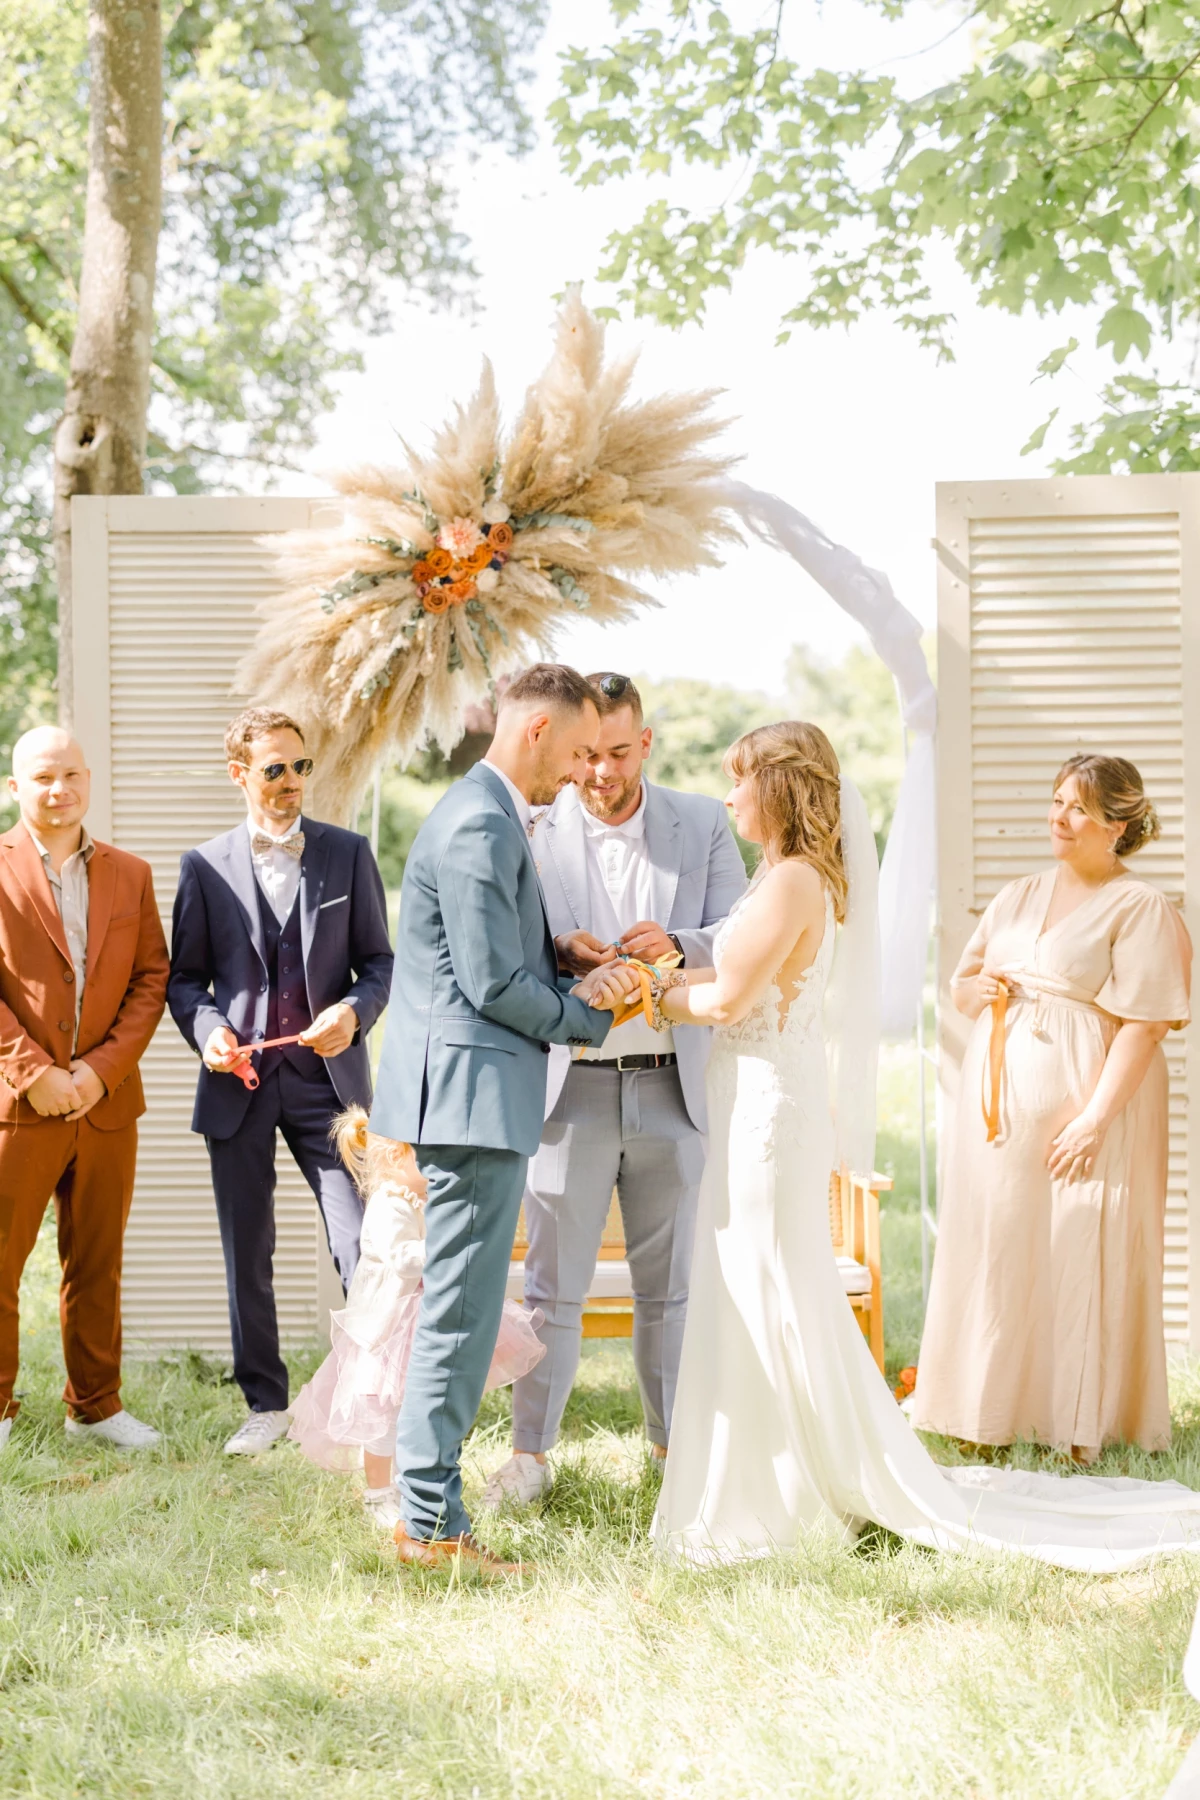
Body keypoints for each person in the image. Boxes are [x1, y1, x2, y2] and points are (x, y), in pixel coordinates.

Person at [579, 721, 1200, 1571]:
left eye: (741, 781)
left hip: (767, 1115)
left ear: (781, 789)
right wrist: (666, 974)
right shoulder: (787, 877)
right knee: (754, 1286)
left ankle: (783, 1487)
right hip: (762, 1104)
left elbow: (727, 1004)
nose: (727, 798)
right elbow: (736, 981)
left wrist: (641, 994)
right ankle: (787, 1470)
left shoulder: (794, 881)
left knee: (764, 1285)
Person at [369, 663, 640, 1574]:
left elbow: (479, 954)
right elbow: (488, 985)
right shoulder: (484, 822)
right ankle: (432, 1528)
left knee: (458, 1311)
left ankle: (423, 1515)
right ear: (534, 732)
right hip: (474, 1102)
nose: (576, 773)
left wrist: (557, 952)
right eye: (571, 753)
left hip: (464, 1094)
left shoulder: (472, 812)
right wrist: (591, 1010)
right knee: (460, 1317)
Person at [483, 671, 747, 1508]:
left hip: (674, 1085)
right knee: (551, 1289)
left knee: (671, 1288)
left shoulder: (703, 822)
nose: (600, 772)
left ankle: (674, 1451)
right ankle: (529, 1457)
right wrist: (567, 952)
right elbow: (511, 947)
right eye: (588, 754)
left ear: (647, 744)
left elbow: (742, 932)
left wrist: (674, 940)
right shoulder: (529, 823)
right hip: (574, 1089)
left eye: (619, 754)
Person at [913, 754, 1191, 1461]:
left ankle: (1079, 1423)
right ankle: (987, 1411)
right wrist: (988, 992)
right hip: (1001, 1105)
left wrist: (1094, 1118)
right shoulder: (1017, 894)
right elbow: (963, 987)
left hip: (1095, 1106)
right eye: (1057, 801)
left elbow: (1147, 1024)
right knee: (999, 1244)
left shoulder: (1140, 907)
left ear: (1117, 825)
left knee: (1076, 1248)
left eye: (1077, 808)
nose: (1057, 818)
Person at [167, 708, 393, 1455]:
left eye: (300, 767)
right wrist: (210, 1035)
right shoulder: (203, 866)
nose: (293, 782)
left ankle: (373, 1397)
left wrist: (353, 1014)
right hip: (240, 1086)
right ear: (241, 774)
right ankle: (264, 1404)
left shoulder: (349, 854)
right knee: (248, 1249)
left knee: (362, 1240)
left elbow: (379, 965)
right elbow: (185, 980)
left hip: (327, 1087)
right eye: (275, 769)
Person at [0, 726, 168, 1452]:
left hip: (105, 1106)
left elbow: (151, 979)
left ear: (89, 782)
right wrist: (34, 1074)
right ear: (15, 787)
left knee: (97, 1262)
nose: (57, 789)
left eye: (70, 775)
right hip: (18, 1105)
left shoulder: (131, 873)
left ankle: (94, 1408)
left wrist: (98, 1072)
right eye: (41, 777)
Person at [287, 1106, 546, 1529]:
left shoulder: (420, 1198)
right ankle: (377, 1494)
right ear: (394, 1158)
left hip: (419, 1320)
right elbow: (405, 1260)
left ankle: (412, 1485)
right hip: (389, 1329)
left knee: (418, 1408)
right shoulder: (390, 1202)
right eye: (429, 1156)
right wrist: (449, 1250)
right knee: (382, 1418)